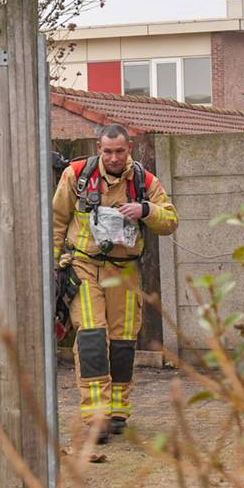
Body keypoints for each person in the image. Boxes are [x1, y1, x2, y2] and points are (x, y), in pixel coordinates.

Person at [52, 123, 178, 443]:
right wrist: (54, 265)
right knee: (93, 336)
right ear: (99, 149)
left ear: (129, 149)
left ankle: (118, 410)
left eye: (119, 151)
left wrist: (145, 209)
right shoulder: (77, 176)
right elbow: (56, 220)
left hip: (124, 271)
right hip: (84, 266)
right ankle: (96, 417)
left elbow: (170, 221)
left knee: (122, 341)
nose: (113, 158)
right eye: (107, 151)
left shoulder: (144, 181)